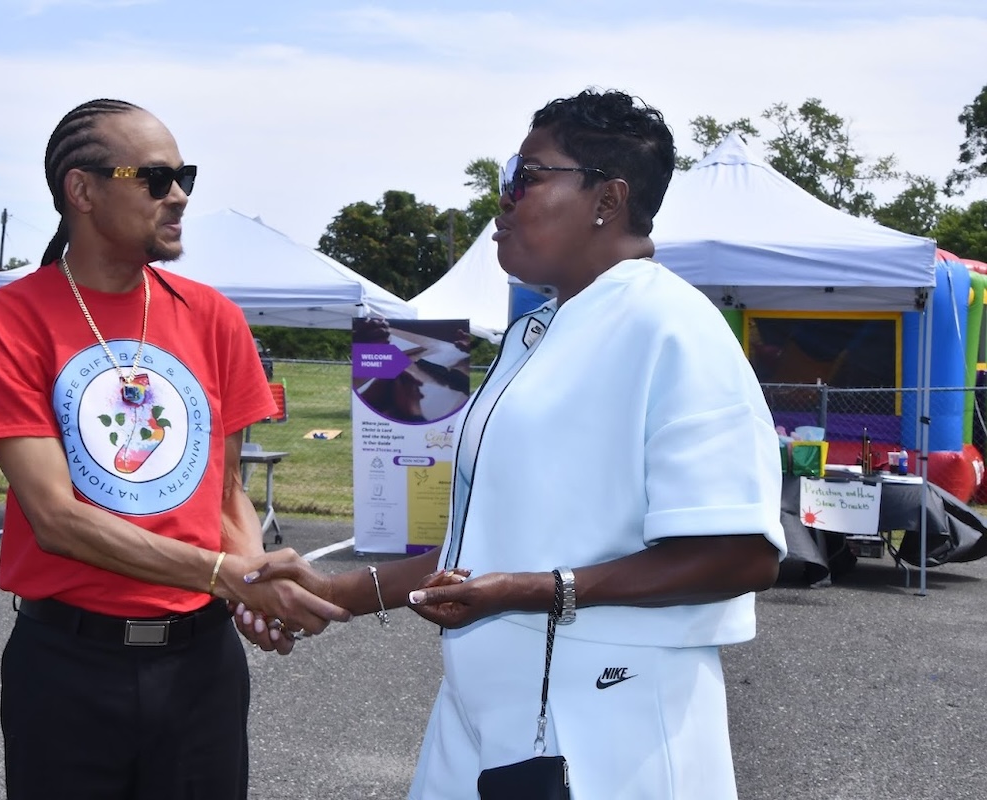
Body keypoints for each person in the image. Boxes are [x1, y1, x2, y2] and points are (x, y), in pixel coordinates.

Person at [246, 88, 786, 799]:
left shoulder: (672, 327)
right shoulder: (538, 334)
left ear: (607, 199)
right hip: (486, 713)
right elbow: (487, 552)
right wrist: (336, 592)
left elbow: (741, 552)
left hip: (605, 724)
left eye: (526, 175)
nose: (503, 198)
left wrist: (534, 591)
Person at [0, 98, 348, 800]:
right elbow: (56, 517)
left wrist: (252, 577)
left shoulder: (213, 316)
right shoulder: (4, 325)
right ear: (82, 190)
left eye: (185, 174)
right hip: (67, 669)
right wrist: (227, 572)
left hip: (202, 666)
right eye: (156, 177)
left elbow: (226, 494)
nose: (180, 195)